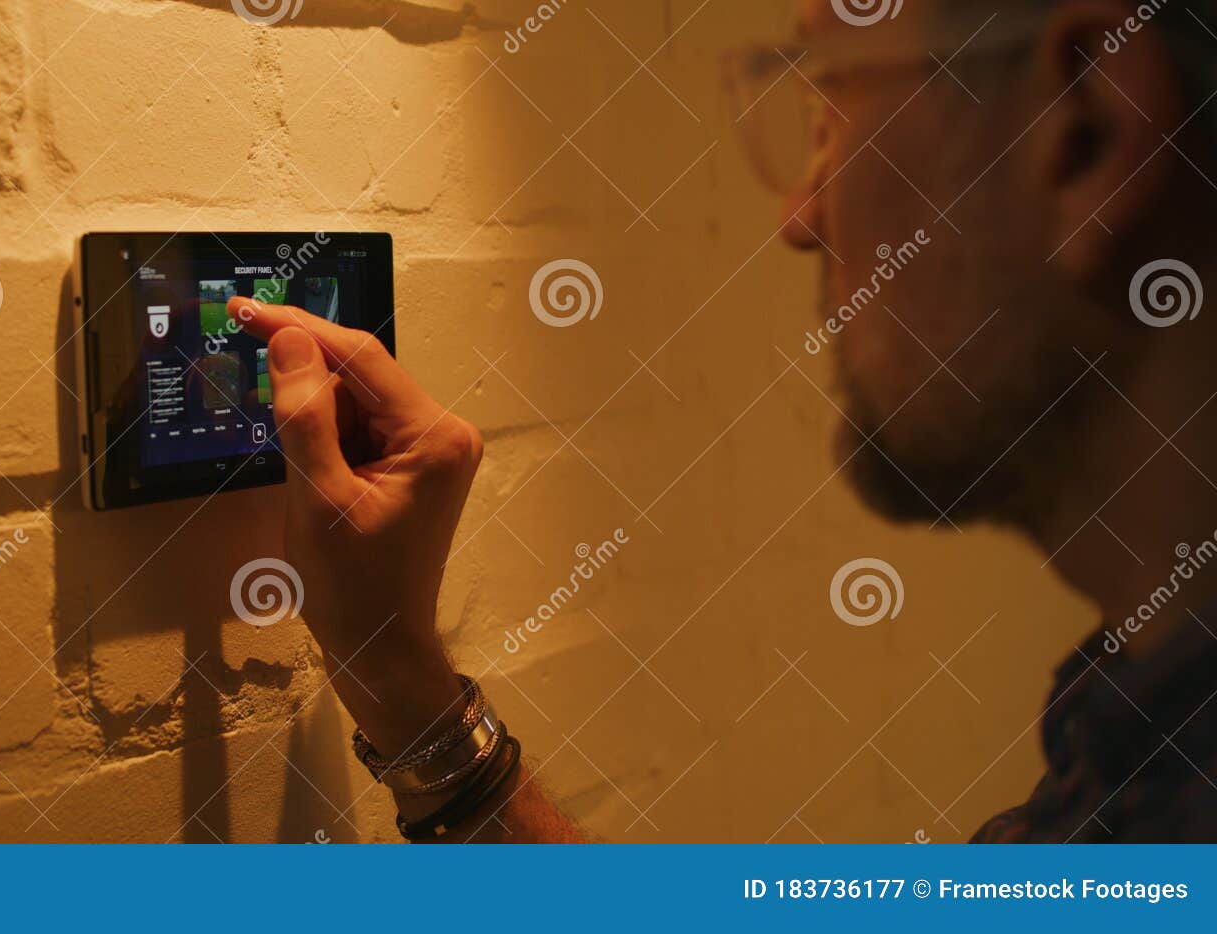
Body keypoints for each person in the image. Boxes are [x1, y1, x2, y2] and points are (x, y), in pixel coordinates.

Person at [226, 0, 1217, 843]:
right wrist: (401, 679)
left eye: (826, 104)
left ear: (1087, 123)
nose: (799, 215)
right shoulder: (1137, 751)